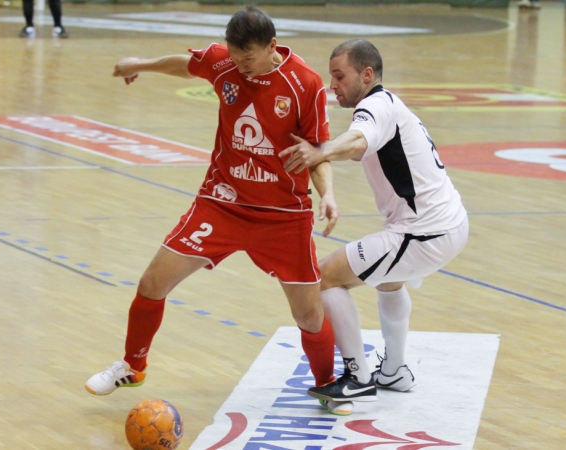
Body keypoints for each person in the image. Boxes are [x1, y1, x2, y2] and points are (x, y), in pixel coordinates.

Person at [85, 6, 340, 402]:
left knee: (308, 313)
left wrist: (329, 195)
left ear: (272, 46)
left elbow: (317, 152)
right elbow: (186, 64)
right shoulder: (226, 65)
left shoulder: (304, 84)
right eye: (236, 58)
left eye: (249, 58)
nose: (242, 67)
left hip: (283, 216)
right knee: (153, 282)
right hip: (221, 203)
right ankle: (132, 367)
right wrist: (141, 64)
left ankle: (327, 385)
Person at [279, 39, 469, 415]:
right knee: (387, 279)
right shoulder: (388, 105)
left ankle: (358, 378)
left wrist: (321, 150)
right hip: (446, 224)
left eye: (339, 76)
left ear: (367, 75)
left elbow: (357, 142)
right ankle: (395, 371)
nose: (333, 85)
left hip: (425, 230)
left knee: (324, 278)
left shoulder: (374, 106)